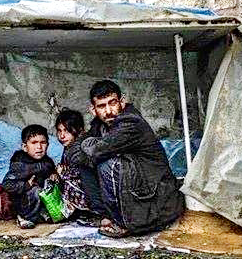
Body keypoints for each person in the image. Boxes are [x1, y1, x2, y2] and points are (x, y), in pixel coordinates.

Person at [72, 80, 184, 237]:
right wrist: (90, 149)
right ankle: (107, 216)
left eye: (112, 103)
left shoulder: (131, 122)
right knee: (87, 165)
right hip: (138, 193)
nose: (109, 111)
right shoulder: (99, 126)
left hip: (157, 201)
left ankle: (124, 223)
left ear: (122, 102)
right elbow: (74, 153)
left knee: (106, 163)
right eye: (102, 106)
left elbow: (97, 150)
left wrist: (91, 149)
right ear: (93, 109)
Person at [2, 124, 57, 229]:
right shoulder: (20, 164)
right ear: (24, 147)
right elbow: (7, 185)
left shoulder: (47, 162)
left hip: (39, 201)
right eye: (34, 143)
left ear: (48, 145)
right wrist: (26, 185)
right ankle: (25, 217)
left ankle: (42, 213)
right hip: (22, 203)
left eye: (43, 142)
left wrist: (54, 175)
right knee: (35, 190)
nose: (39, 147)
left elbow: (49, 173)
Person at [54, 109, 92, 219]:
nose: (62, 135)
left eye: (67, 131)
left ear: (79, 130)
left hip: (89, 189)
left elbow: (82, 171)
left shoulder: (82, 146)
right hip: (80, 184)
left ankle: (85, 211)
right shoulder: (68, 147)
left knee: (68, 181)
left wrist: (63, 173)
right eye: (59, 131)